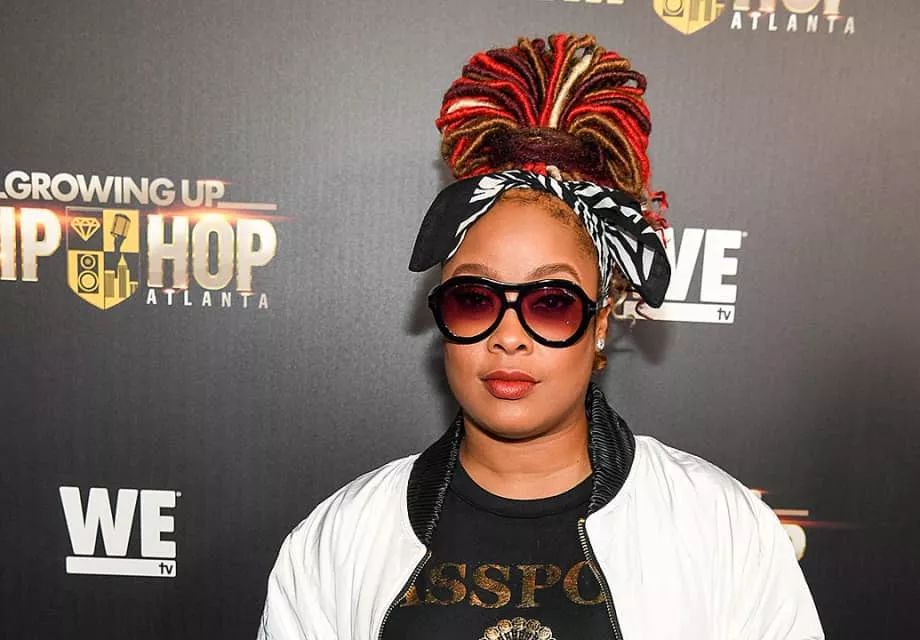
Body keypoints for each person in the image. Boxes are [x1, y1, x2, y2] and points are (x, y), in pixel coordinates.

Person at [257, 33, 824, 640]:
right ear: (441, 316)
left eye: (550, 303)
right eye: (475, 299)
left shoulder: (723, 530)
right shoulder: (339, 539)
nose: (509, 337)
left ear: (601, 322)